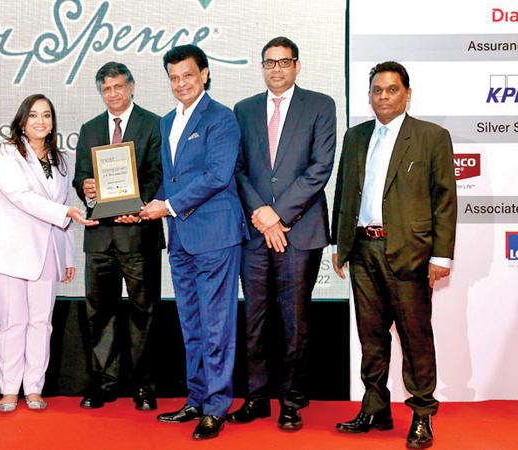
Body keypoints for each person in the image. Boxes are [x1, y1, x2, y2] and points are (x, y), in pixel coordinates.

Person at [331, 61, 456, 449]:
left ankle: (421, 414)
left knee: (415, 337)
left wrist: (441, 257)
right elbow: (344, 192)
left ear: (407, 93)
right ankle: (375, 408)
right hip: (363, 249)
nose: (383, 96)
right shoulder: (356, 137)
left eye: (391, 90)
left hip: (409, 253)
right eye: (377, 90)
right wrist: (339, 244)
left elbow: (445, 200)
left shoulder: (431, 136)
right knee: (371, 336)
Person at [140, 44, 247, 440]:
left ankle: (217, 406)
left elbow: (219, 175)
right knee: (191, 321)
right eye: (174, 77)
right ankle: (197, 397)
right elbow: (169, 178)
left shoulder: (221, 118)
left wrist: (167, 206)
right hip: (181, 237)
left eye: (188, 75)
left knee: (217, 322)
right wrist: (136, 200)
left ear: (204, 74)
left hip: (216, 235)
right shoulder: (167, 121)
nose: (181, 83)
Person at [229, 36, 337, 431]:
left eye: (283, 62)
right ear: (262, 67)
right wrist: (262, 214)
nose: (276, 69)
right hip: (256, 233)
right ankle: (256, 398)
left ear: (297, 65)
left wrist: (279, 214)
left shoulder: (321, 105)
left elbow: (320, 168)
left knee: (295, 321)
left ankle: (291, 401)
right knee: (254, 320)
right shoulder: (244, 110)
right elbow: (237, 169)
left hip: (299, 231)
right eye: (269, 63)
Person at [0, 94, 97, 413]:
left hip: (48, 252)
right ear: (22, 120)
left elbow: (63, 212)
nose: (40, 121)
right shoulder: (5, 153)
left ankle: (33, 387)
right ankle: (8, 389)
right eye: (33, 115)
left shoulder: (59, 160)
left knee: (40, 323)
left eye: (46, 116)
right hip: (10, 252)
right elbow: (21, 197)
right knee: (11, 322)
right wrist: (66, 213)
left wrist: (68, 256)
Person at [73, 61, 165, 411]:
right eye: (106, 89)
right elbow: (81, 174)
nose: (113, 94)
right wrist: (86, 186)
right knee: (100, 312)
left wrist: (138, 204)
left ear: (131, 87)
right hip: (100, 237)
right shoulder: (90, 128)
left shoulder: (153, 124)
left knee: (145, 312)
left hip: (138, 233)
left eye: (118, 87)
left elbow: (159, 173)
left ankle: (144, 386)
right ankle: (104, 384)